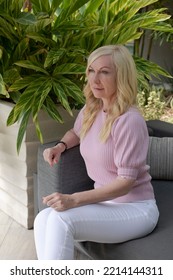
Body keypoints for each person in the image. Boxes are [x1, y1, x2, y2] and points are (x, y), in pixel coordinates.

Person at [34, 44, 159, 260]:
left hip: (135, 208)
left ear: (121, 76)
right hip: (105, 203)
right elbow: (76, 132)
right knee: (42, 219)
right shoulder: (92, 109)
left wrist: (74, 199)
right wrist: (60, 146)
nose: (95, 79)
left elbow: (125, 183)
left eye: (104, 72)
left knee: (60, 220)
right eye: (91, 71)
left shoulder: (129, 121)